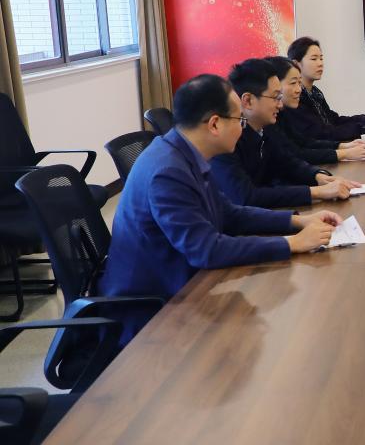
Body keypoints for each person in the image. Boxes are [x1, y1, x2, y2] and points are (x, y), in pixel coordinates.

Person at [100, 74, 341, 335]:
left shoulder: (183, 153)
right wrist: (292, 243)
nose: (243, 128)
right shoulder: (168, 172)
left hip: (182, 288)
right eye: (239, 120)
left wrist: (298, 221)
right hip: (150, 316)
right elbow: (206, 250)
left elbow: (229, 214)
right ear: (215, 124)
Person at [210, 58, 359, 208]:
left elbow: (286, 162)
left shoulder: (263, 128)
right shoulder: (225, 141)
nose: (280, 104)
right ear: (248, 101)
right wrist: (316, 192)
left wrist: (318, 176)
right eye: (275, 97)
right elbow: (246, 197)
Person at [266, 56, 365, 165]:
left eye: (321, 58)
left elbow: (304, 141)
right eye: (314, 58)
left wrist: (344, 146)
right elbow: (298, 152)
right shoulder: (273, 118)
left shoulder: (314, 94)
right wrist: (344, 153)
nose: (299, 89)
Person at [286, 37, 365, 142]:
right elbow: (321, 133)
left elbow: (333, 120)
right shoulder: (295, 97)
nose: (320, 63)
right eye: (314, 59)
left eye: (321, 58)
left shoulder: (315, 92)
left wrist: (363, 120)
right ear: (296, 64)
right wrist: (362, 130)